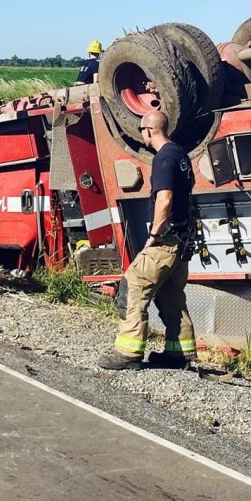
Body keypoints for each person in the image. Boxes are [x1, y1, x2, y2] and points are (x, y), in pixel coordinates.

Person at [100, 109, 197, 371]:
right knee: (171, 296)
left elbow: (164, 198)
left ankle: (128, 354)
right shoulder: (180, 154)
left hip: (165, 241)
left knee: (132, 286)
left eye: (142, 130)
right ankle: (179, 353)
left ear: (149, 131)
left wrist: (154, 234)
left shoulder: (163, 158)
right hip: (182, 242)